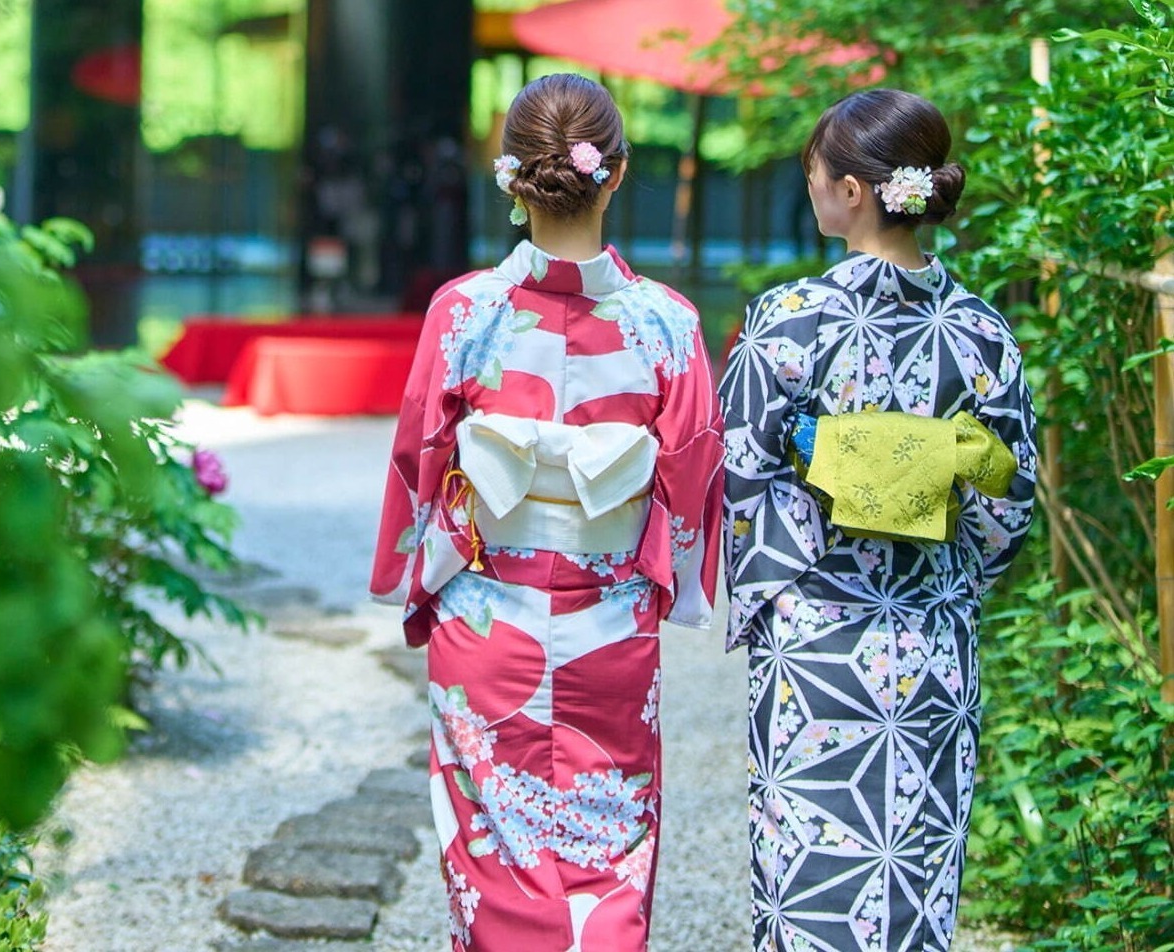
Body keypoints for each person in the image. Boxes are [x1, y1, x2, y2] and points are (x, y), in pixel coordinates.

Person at [370, 73, 725, 951]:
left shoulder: (463, 313)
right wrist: (671, 589)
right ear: (615, 174)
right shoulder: (665, 324)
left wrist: (414, 575)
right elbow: (689, 482)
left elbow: (421, 458)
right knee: (609, 848)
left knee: (494, 849)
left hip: (488, 621)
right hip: (610, 630)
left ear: (512, 177)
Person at [718, 88, 1038, 951]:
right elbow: (1008, 509)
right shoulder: (982, 332)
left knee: (805, 877)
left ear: (853, 192)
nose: (812, 185)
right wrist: (945, 572)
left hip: (815, 640)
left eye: (815, 173)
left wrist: (769, 595)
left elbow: (738, 477)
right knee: (915, 875)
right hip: (932, 642)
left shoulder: (787, 325)